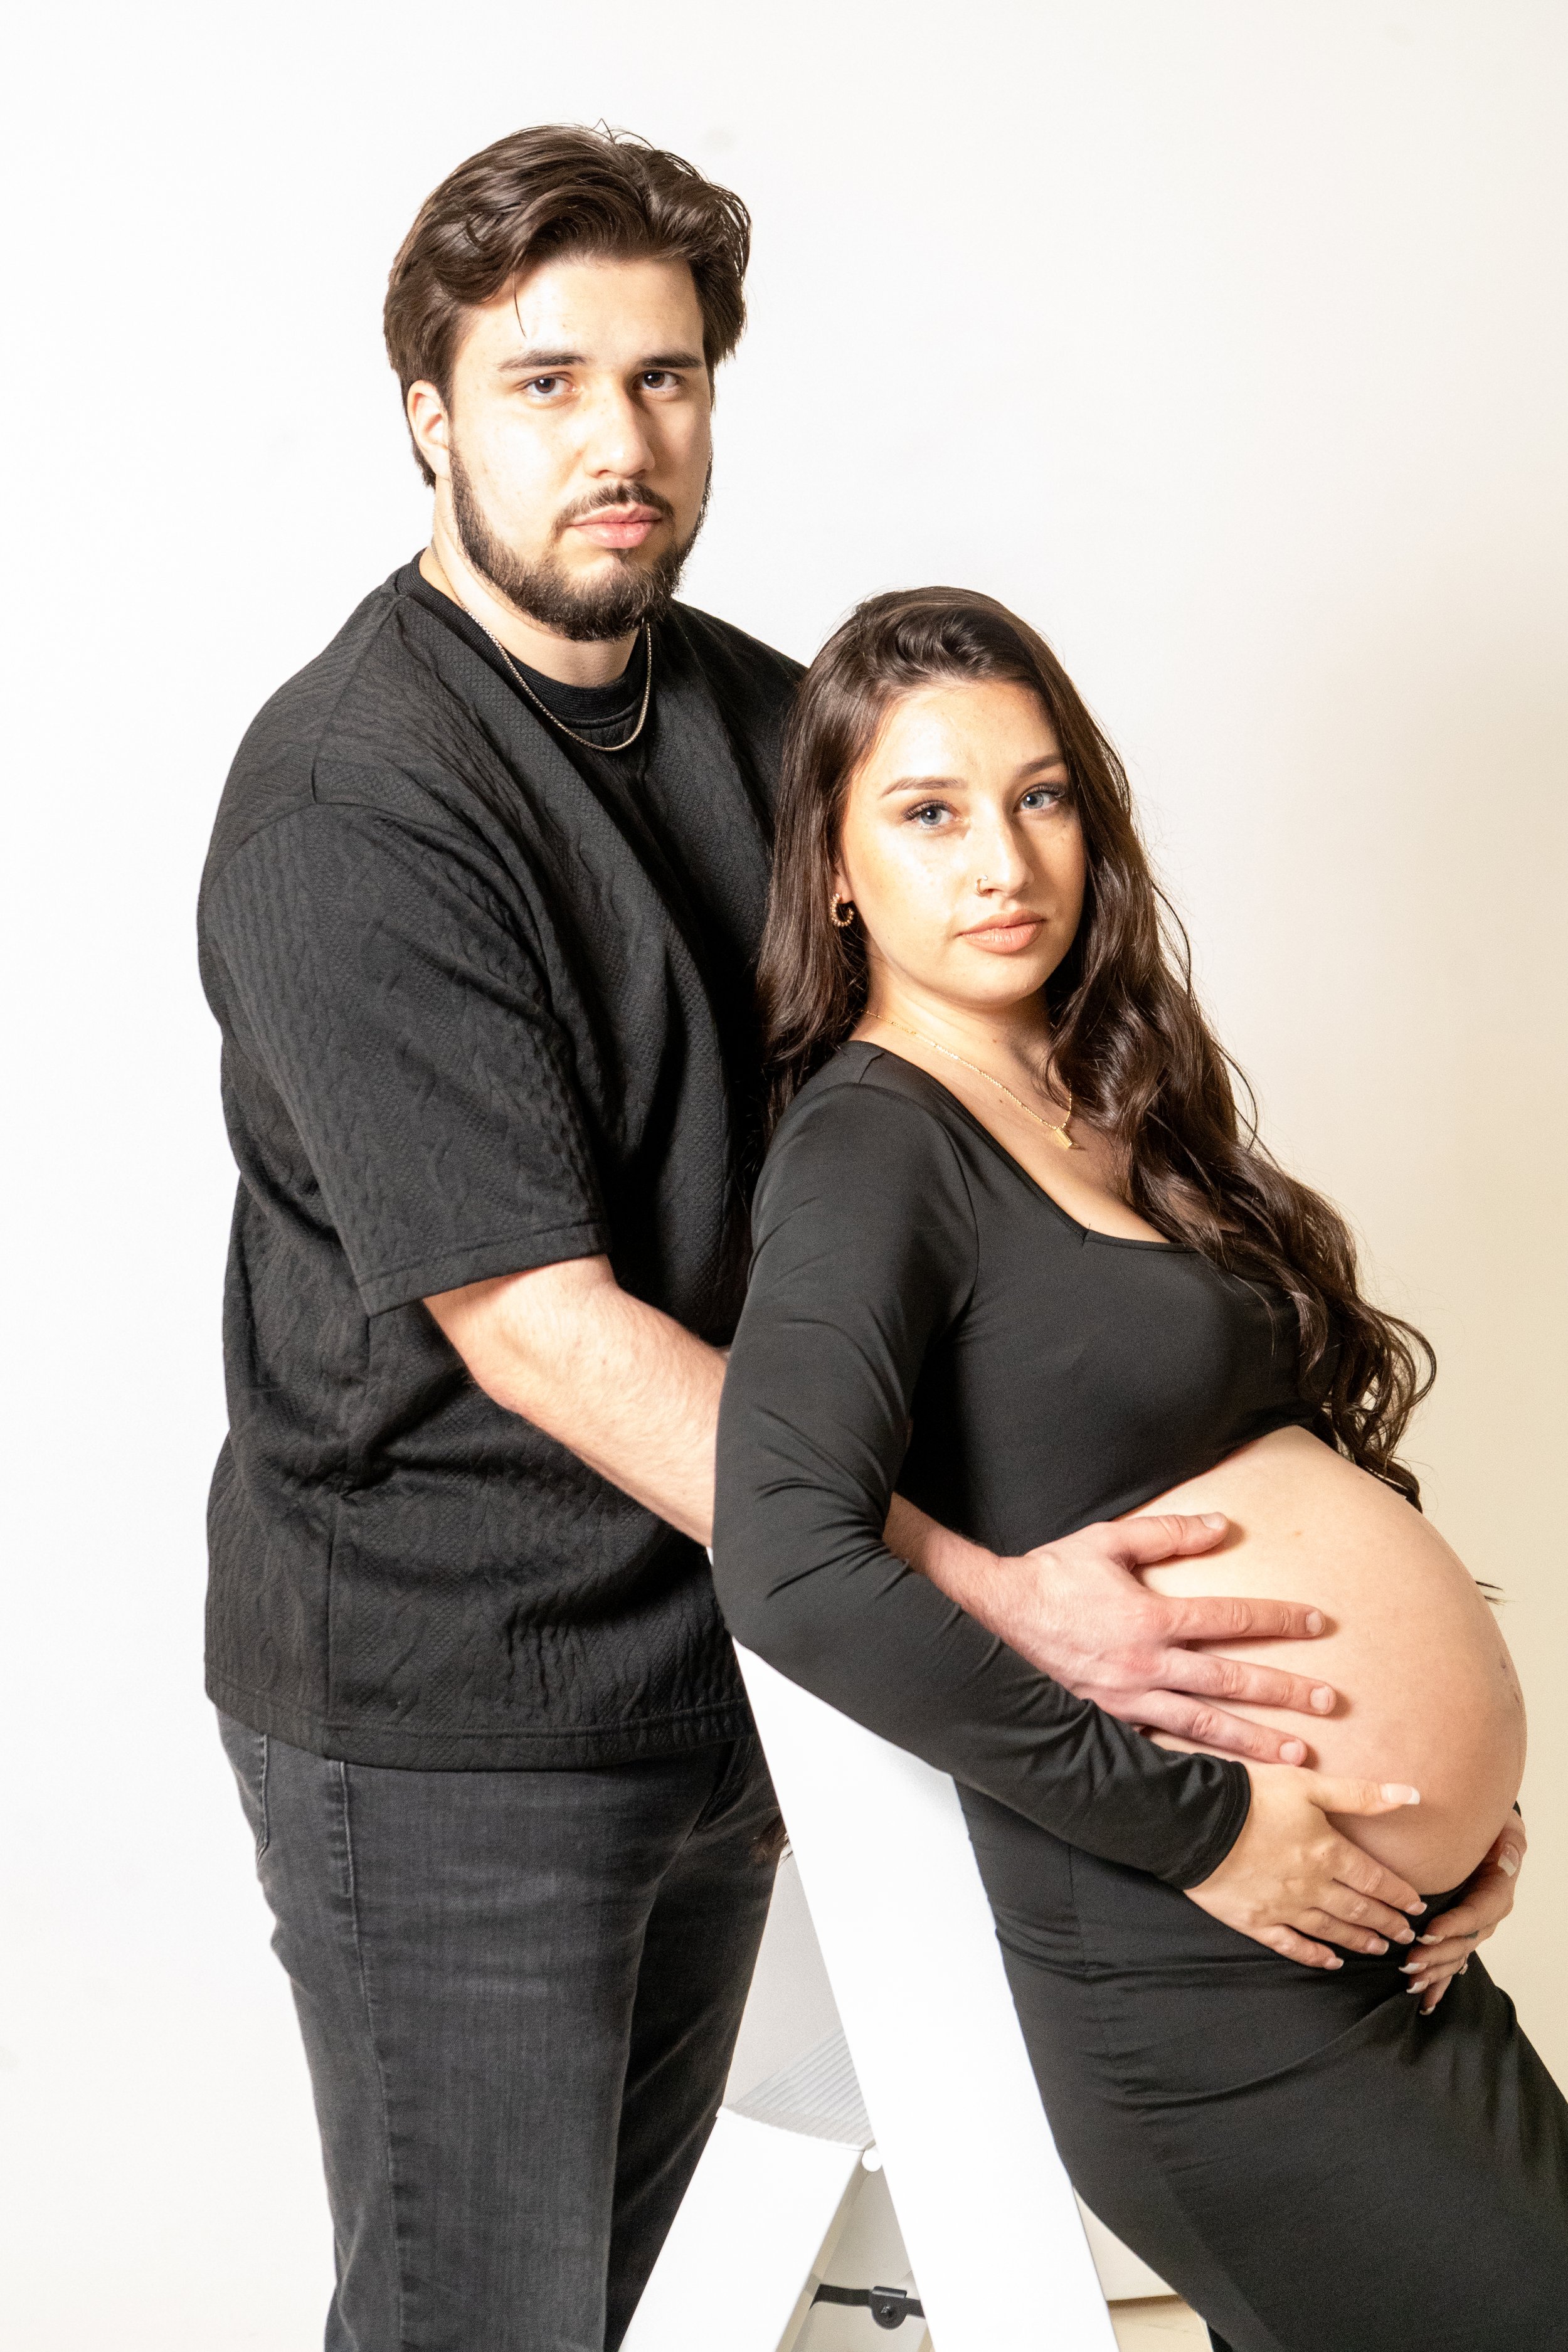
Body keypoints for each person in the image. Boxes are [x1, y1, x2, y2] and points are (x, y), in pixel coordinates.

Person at [199, 131, 1369, 2349]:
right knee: (483, 2319)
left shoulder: (757, 721)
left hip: (732, 1651)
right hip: (454, 1706)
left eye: (666, 379)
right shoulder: (357, 803)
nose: (617, 442)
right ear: (429, 417)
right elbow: (543, 1332)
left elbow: (957, 1120)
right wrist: (984, 1595)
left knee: (615, 2291)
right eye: (543, 384)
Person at [712, 586, 1565, 2351]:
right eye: (929, 812)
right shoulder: (873, 1149)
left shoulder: (1113, 1097)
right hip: (1204, 1975)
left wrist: (1451, 1819)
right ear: (838, 870)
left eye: (1040, 798)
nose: (1001, 857)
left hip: (1365, 1941)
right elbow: (785, 1557)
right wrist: (1208, 1828)